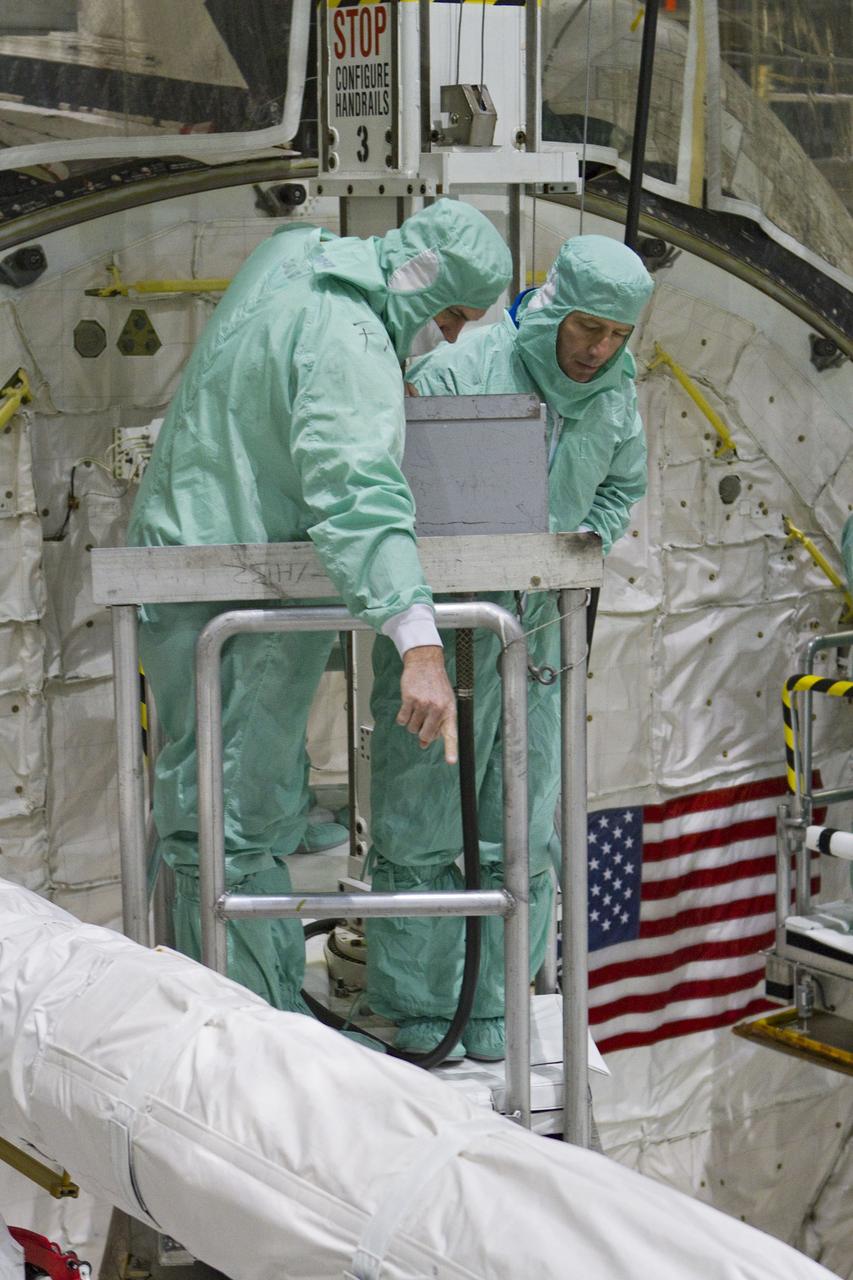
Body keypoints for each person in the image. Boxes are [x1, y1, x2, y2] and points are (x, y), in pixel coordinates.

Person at [127, 199, 512, 1013]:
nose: (446, 337)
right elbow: (356, 494)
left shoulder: (296, 255)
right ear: (421, 280)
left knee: (203, 807)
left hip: (178, 562)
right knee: (238, 823)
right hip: (250, 586)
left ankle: (225, 1014)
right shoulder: (352, 341)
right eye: (448, 316)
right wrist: (419, 642)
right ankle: (257, 1040)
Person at [365, 234, 655, 1061]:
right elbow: (394, 488)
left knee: (523, 822)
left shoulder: (612, 394)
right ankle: (425, 1002)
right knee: (424, 815)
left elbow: (619, 483)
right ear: (556, 306)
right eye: (586, 328)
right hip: (450, 631)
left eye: (617, 336)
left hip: (542, 633)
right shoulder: (461, 370)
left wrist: (584, 543)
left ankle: (497, 998)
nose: (598, 349)